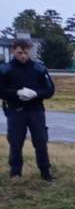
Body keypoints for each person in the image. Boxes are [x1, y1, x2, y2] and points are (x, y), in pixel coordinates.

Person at [1, 38, 55, 181]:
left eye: (25, 53)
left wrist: (36, 93)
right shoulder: (5, 70)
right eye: (19, 53)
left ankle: (45, 172)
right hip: (15, 111)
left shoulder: (39, 69)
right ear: (13, 51)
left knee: (41, 141)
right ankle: (15, 172)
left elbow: (50, 90)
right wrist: (16, 93)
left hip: (36, 110)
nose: (23, 56)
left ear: (29, 51)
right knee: (15, 142)